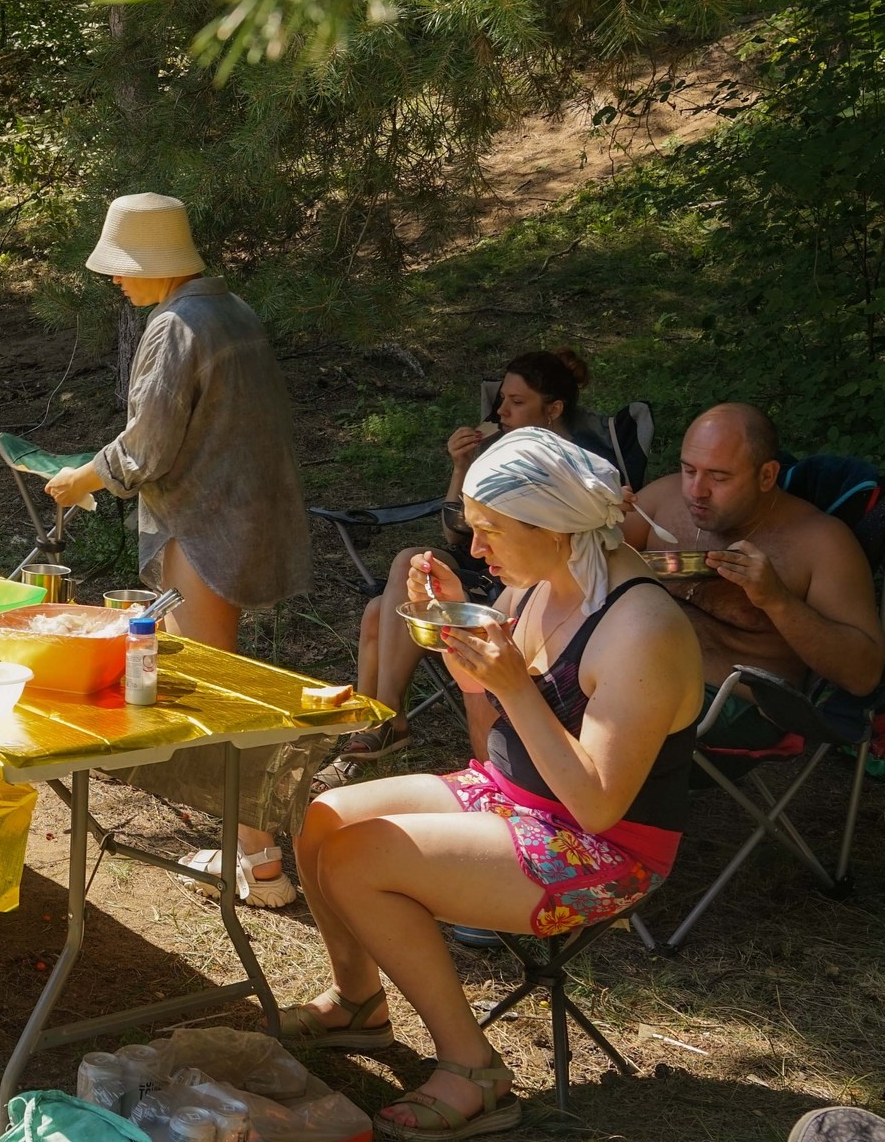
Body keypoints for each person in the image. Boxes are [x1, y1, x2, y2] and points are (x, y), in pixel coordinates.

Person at [281, 430, 701, 1141]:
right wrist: (452, 627)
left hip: (600, 850)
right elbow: (491, 705)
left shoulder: (642, 629)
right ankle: (358, 1003)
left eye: (489, 531)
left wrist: (517, 687)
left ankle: (474, 1068)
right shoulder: (542, 582)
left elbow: (598, 803)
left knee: (358, 859)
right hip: (511, 794)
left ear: (554, 525)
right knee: (320, 815)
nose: (476, 552)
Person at [43, 194, 312, 905]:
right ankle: (247, 849)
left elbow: (148, 447)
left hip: (207, 523)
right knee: (198, 681)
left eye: (123, 266)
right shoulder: (233, 311)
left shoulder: (176, 324)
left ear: (155, 262)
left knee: (219, 696)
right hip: (250, 513)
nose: (115, 280)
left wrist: (84, 478)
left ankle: (264, 865)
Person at [346, 348, 617, 762]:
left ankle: (386, 720)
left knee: (379, 609)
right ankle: (373, 719)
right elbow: (457, 534)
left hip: (519, 577)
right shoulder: (497, 451)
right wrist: (461, 466)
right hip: (483, 563)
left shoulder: (577, 470)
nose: (502, 411)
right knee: (406, 565)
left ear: (554, 408)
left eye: (517, 402)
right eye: (502, 400)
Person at [621, 403, 885, 746]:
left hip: (726, 706)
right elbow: (579, 562)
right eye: (689, 470)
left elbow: (863, 676)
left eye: (719, 477)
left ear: (766, 476)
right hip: (631, 664)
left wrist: (776, 600)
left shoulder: (819, 543)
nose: (696, 491)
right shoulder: (664, 499)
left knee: (582, 693)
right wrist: (591, 519)